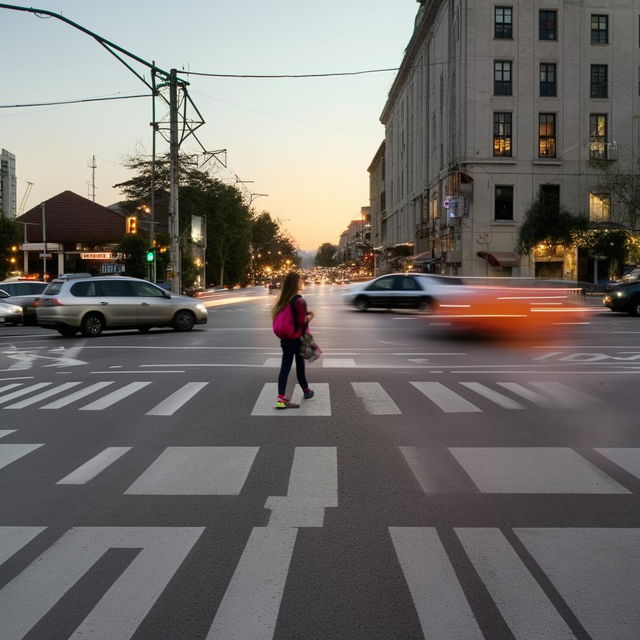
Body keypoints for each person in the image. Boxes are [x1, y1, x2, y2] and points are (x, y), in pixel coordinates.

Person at [272, 271, 314, 409]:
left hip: (286, 340)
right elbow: (301, 321)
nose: (302, 281)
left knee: (285, 367)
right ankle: (306, 391)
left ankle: (281, 398)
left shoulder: (285, 299)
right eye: (300, 279)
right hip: (297, 339)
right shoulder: (299, 300)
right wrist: (310, 316)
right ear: (296, 283)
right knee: (300, 365)